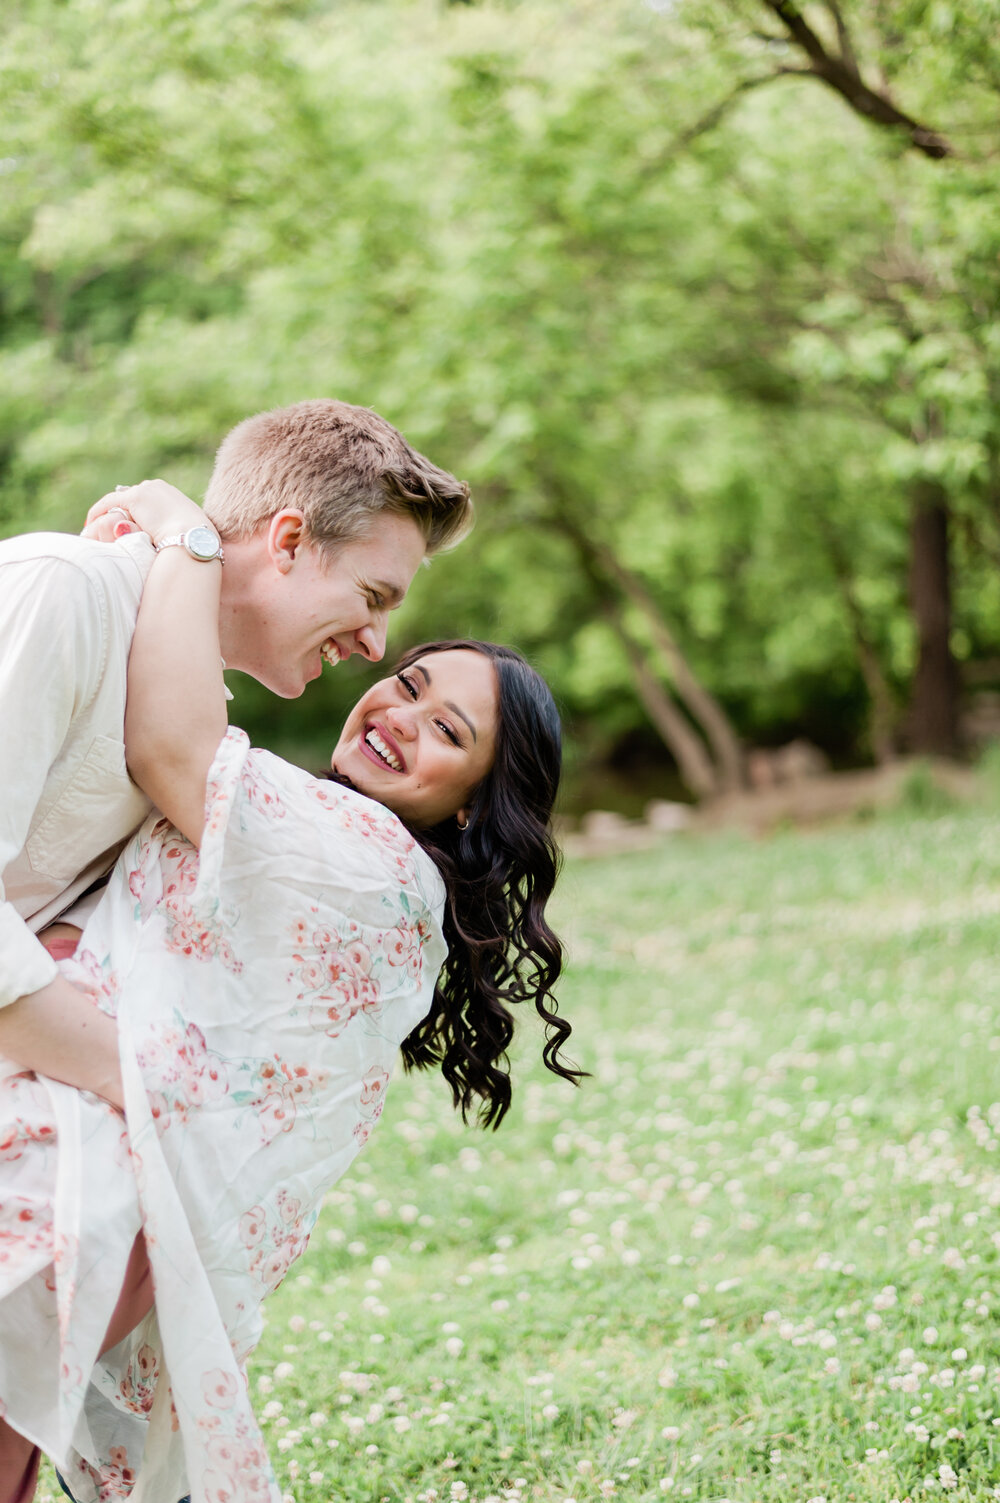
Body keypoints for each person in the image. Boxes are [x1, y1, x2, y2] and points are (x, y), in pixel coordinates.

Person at [0, 495, 577, 1501]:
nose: (395, 712)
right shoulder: (329, 840)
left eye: (444, 727)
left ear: (478, 801)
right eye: (404, 685)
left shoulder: (372, 871)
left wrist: (185, 533)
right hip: (96, 1173)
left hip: (80, 1181)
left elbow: (170, 744)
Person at [0, 399, 472, 1129]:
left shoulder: (189, 712)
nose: (377, 645)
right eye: (373, 597)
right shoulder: (67, 593)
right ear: (287, 541)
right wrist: (140, 1082)